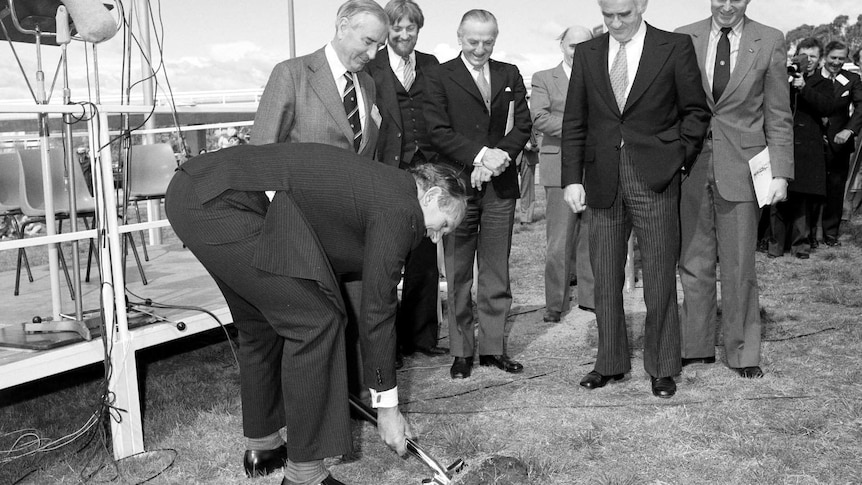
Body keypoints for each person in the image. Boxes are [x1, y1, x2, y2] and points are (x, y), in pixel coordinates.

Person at [165, 142, 467, 485]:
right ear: (430, 197)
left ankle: (263, 447)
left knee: (261, 321)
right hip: (218, 201)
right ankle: (305, 475)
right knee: (316, 323)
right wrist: (388, 408)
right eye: (443, 225)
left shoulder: (383, 187)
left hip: (198, 189)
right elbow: (378, 309)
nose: (435, 238)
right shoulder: (401, 208)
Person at [562, 0, 710, 398]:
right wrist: (571, 179)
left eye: (623, 15)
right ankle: (608, 361)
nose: (615, 23)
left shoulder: (674, 47)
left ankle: (663, 365)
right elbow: (574, 120)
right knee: (605, 275)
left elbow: (696, 111)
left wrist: (678, 160)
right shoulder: (589, 53)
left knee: (660, 274)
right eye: (607, 15)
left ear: (642, 6)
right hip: (603, 177)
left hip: (656, 175)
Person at [676, 0, 793, 379]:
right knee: (693, 261)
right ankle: (695, 346)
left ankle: (743, 352)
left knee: (741, 265)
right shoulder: (682, 37)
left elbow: (778, 113)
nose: (727, 5)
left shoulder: (770, 40)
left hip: (744, 168)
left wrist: (780, 173)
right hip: (690, 166)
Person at [424, 9, 532, 380]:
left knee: (496, 271)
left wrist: (498, 159)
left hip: (500, 187)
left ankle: (492, 348)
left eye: (488, 41)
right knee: (457, 272)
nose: (480, 48)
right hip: (458, 187)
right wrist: (480, 157)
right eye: (473, 41)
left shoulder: (510, 74)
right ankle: (461, 350)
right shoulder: (439, 76)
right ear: (459, 37)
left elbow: (522, 124)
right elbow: (436, 130)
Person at [366, 0, 446, 364]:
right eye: (396, 28)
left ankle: (422, 336)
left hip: (428, 171)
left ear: (418, 30)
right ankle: (390, 344)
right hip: (389, 171)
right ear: (387, 31)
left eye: (409, 28)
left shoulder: (431, 65)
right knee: (388, 258)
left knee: (426, 257)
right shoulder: (372, 67)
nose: (403, 34)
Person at [251, 0, 388, 157]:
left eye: (379, 46)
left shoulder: (368, 83)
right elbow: (259, 156)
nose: (373, 54)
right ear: (343, 28)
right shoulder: (291, 74)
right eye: (368, 42)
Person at [530, 25, 595, 323]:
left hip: (595, 168)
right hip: (558, 169)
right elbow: (541, 118)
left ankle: (590, 299)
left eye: (584, 46)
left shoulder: (603, 78)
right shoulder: (544, 78)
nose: (578, 52)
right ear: (562, 46)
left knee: (591, 237)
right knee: (558, 241)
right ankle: (554, 304)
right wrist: (582, 127)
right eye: (572, 46)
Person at [768, 38, 834, 259]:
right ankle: (775, 244)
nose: (809, 60)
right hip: (783, 143)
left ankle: (800, 246)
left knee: (803, 201)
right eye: (804, 55)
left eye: (813, 56)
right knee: (778, 198)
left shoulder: (823, 83)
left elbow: (826, 107)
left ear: (820, 59)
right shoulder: (783, 77)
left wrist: (804, 88)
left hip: (808, 148)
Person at [819, 40, 862, 247]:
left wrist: (849, 130)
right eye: (833, 58)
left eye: (841, 59)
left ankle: (830, 233)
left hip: (839, 146)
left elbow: (861, 107)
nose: (836, 62)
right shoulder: (814, 77)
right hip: (813, 143)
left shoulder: (852, 79)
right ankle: (808, 234)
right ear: (824, 56)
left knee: (835, 190)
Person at [515, 129, 540, 225]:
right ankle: (506, 216)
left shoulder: (534, 114)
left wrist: (535, 146)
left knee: (528, 188)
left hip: (529, 155)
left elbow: (541, 134)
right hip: (511, 155)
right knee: (508, 188)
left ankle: (526, 218)